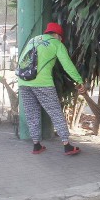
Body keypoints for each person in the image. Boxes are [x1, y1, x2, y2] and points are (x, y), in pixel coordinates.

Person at [17, 22, 85, 155]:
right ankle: (67, 145)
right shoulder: (57, 44)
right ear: (57, 35)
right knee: (55, 113)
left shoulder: (34, 40)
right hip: (43, 83)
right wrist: (79, 81)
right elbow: (68, 66)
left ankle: (36, 145)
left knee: (32, 113)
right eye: (61, 37)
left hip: (23, 81)